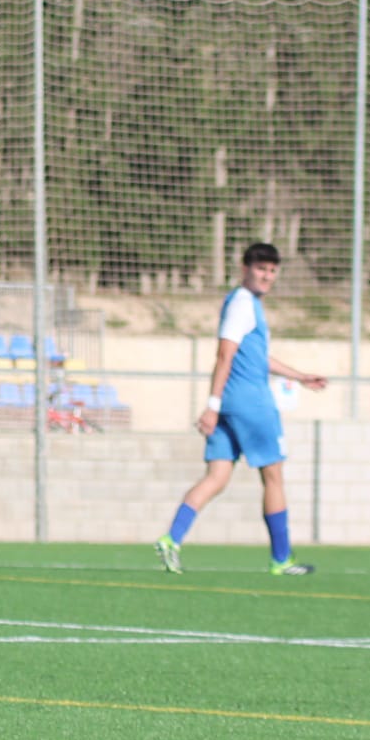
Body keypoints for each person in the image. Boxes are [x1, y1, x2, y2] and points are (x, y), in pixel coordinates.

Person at [154, 243, 327, 576]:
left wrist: (299, 376)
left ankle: (171, 539)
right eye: (261, 269)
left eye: (272, 271)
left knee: (217, 477)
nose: (267, 276)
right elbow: (225, 355)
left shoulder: (244, 304)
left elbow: (257, 358)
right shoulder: (243, 304)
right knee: (273, 478)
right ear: (245, 268)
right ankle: (281, 559)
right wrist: (211, 405)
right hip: (251, 405)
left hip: (229, 406)